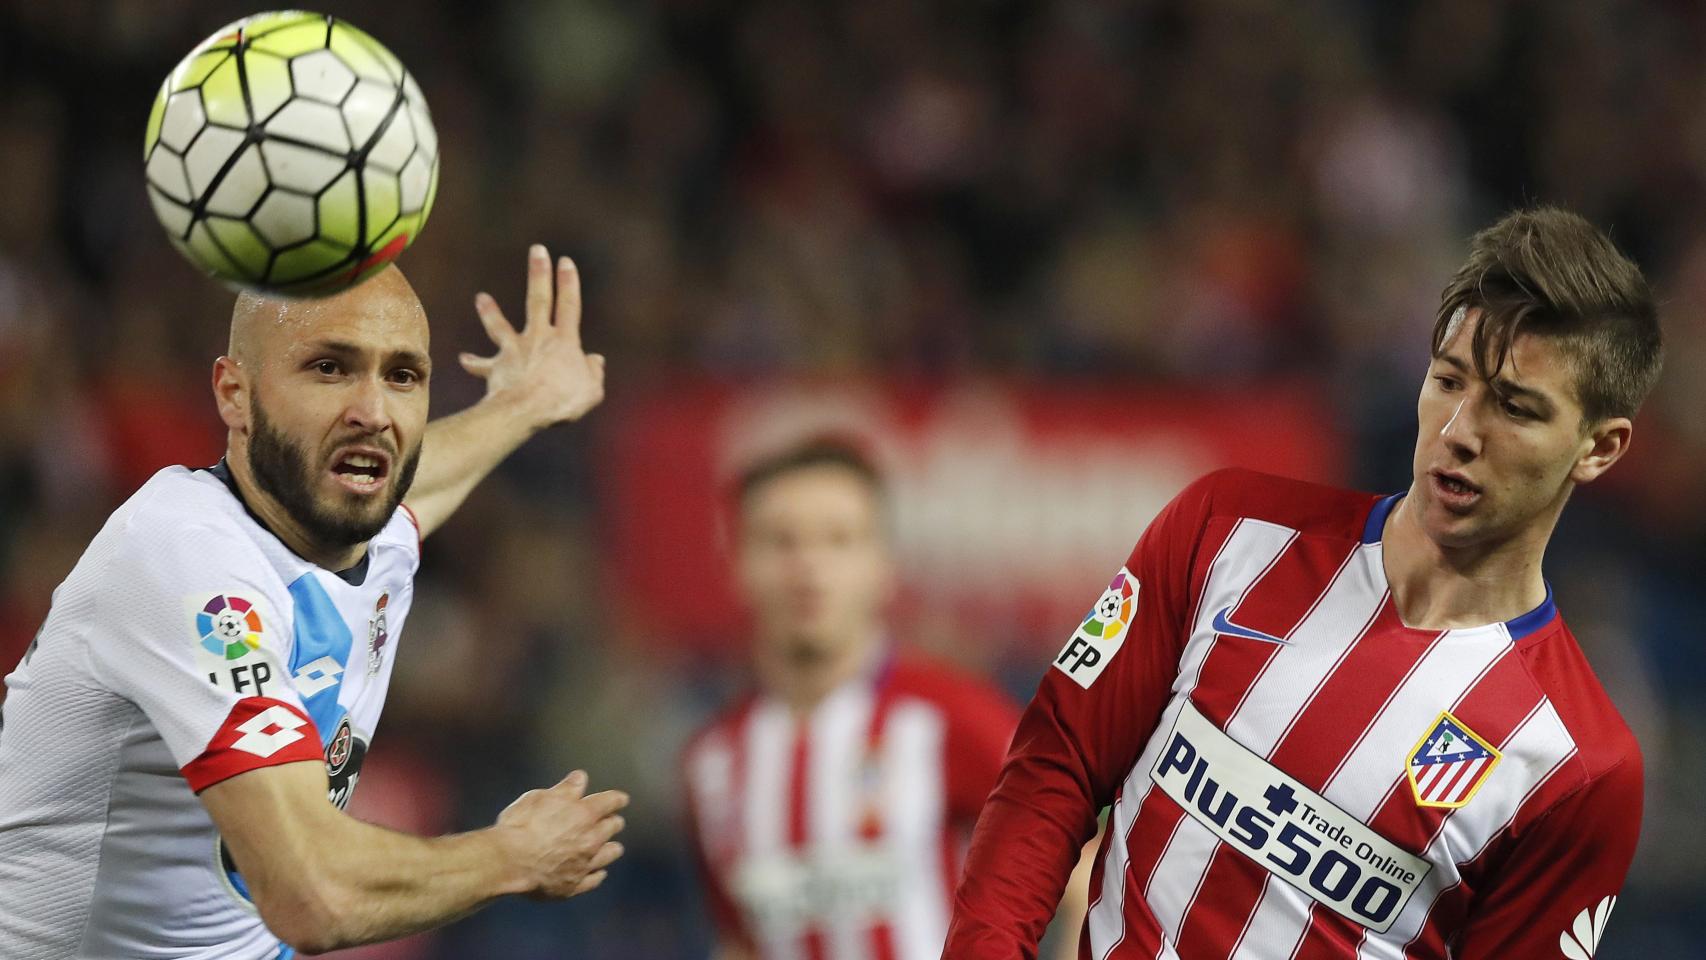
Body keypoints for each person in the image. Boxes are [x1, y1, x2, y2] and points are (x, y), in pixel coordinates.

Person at [942, 207, 1661, 960]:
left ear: (1599, 448)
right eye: (1449, 379)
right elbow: (1053, 767)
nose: (1458, 431)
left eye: (1514, 408)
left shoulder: (1577, 765)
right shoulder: (1226, 531)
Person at [0, 246, 627, 958]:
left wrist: (528, 401)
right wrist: (514, 857)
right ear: (235, 394)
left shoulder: (356, 521)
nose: (373, 411)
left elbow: (422, 480)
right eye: (329, 367)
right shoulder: (184, 558)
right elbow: (312, 894)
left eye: (403, 376)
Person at [682, 439, 1095, 960]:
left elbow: (1088, 879)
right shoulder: (712, 762)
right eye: (781, 541)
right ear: (738, 561)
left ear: (883, 566)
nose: (809, 566)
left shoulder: (949, 718)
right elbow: (740, 942)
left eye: (839, 540)